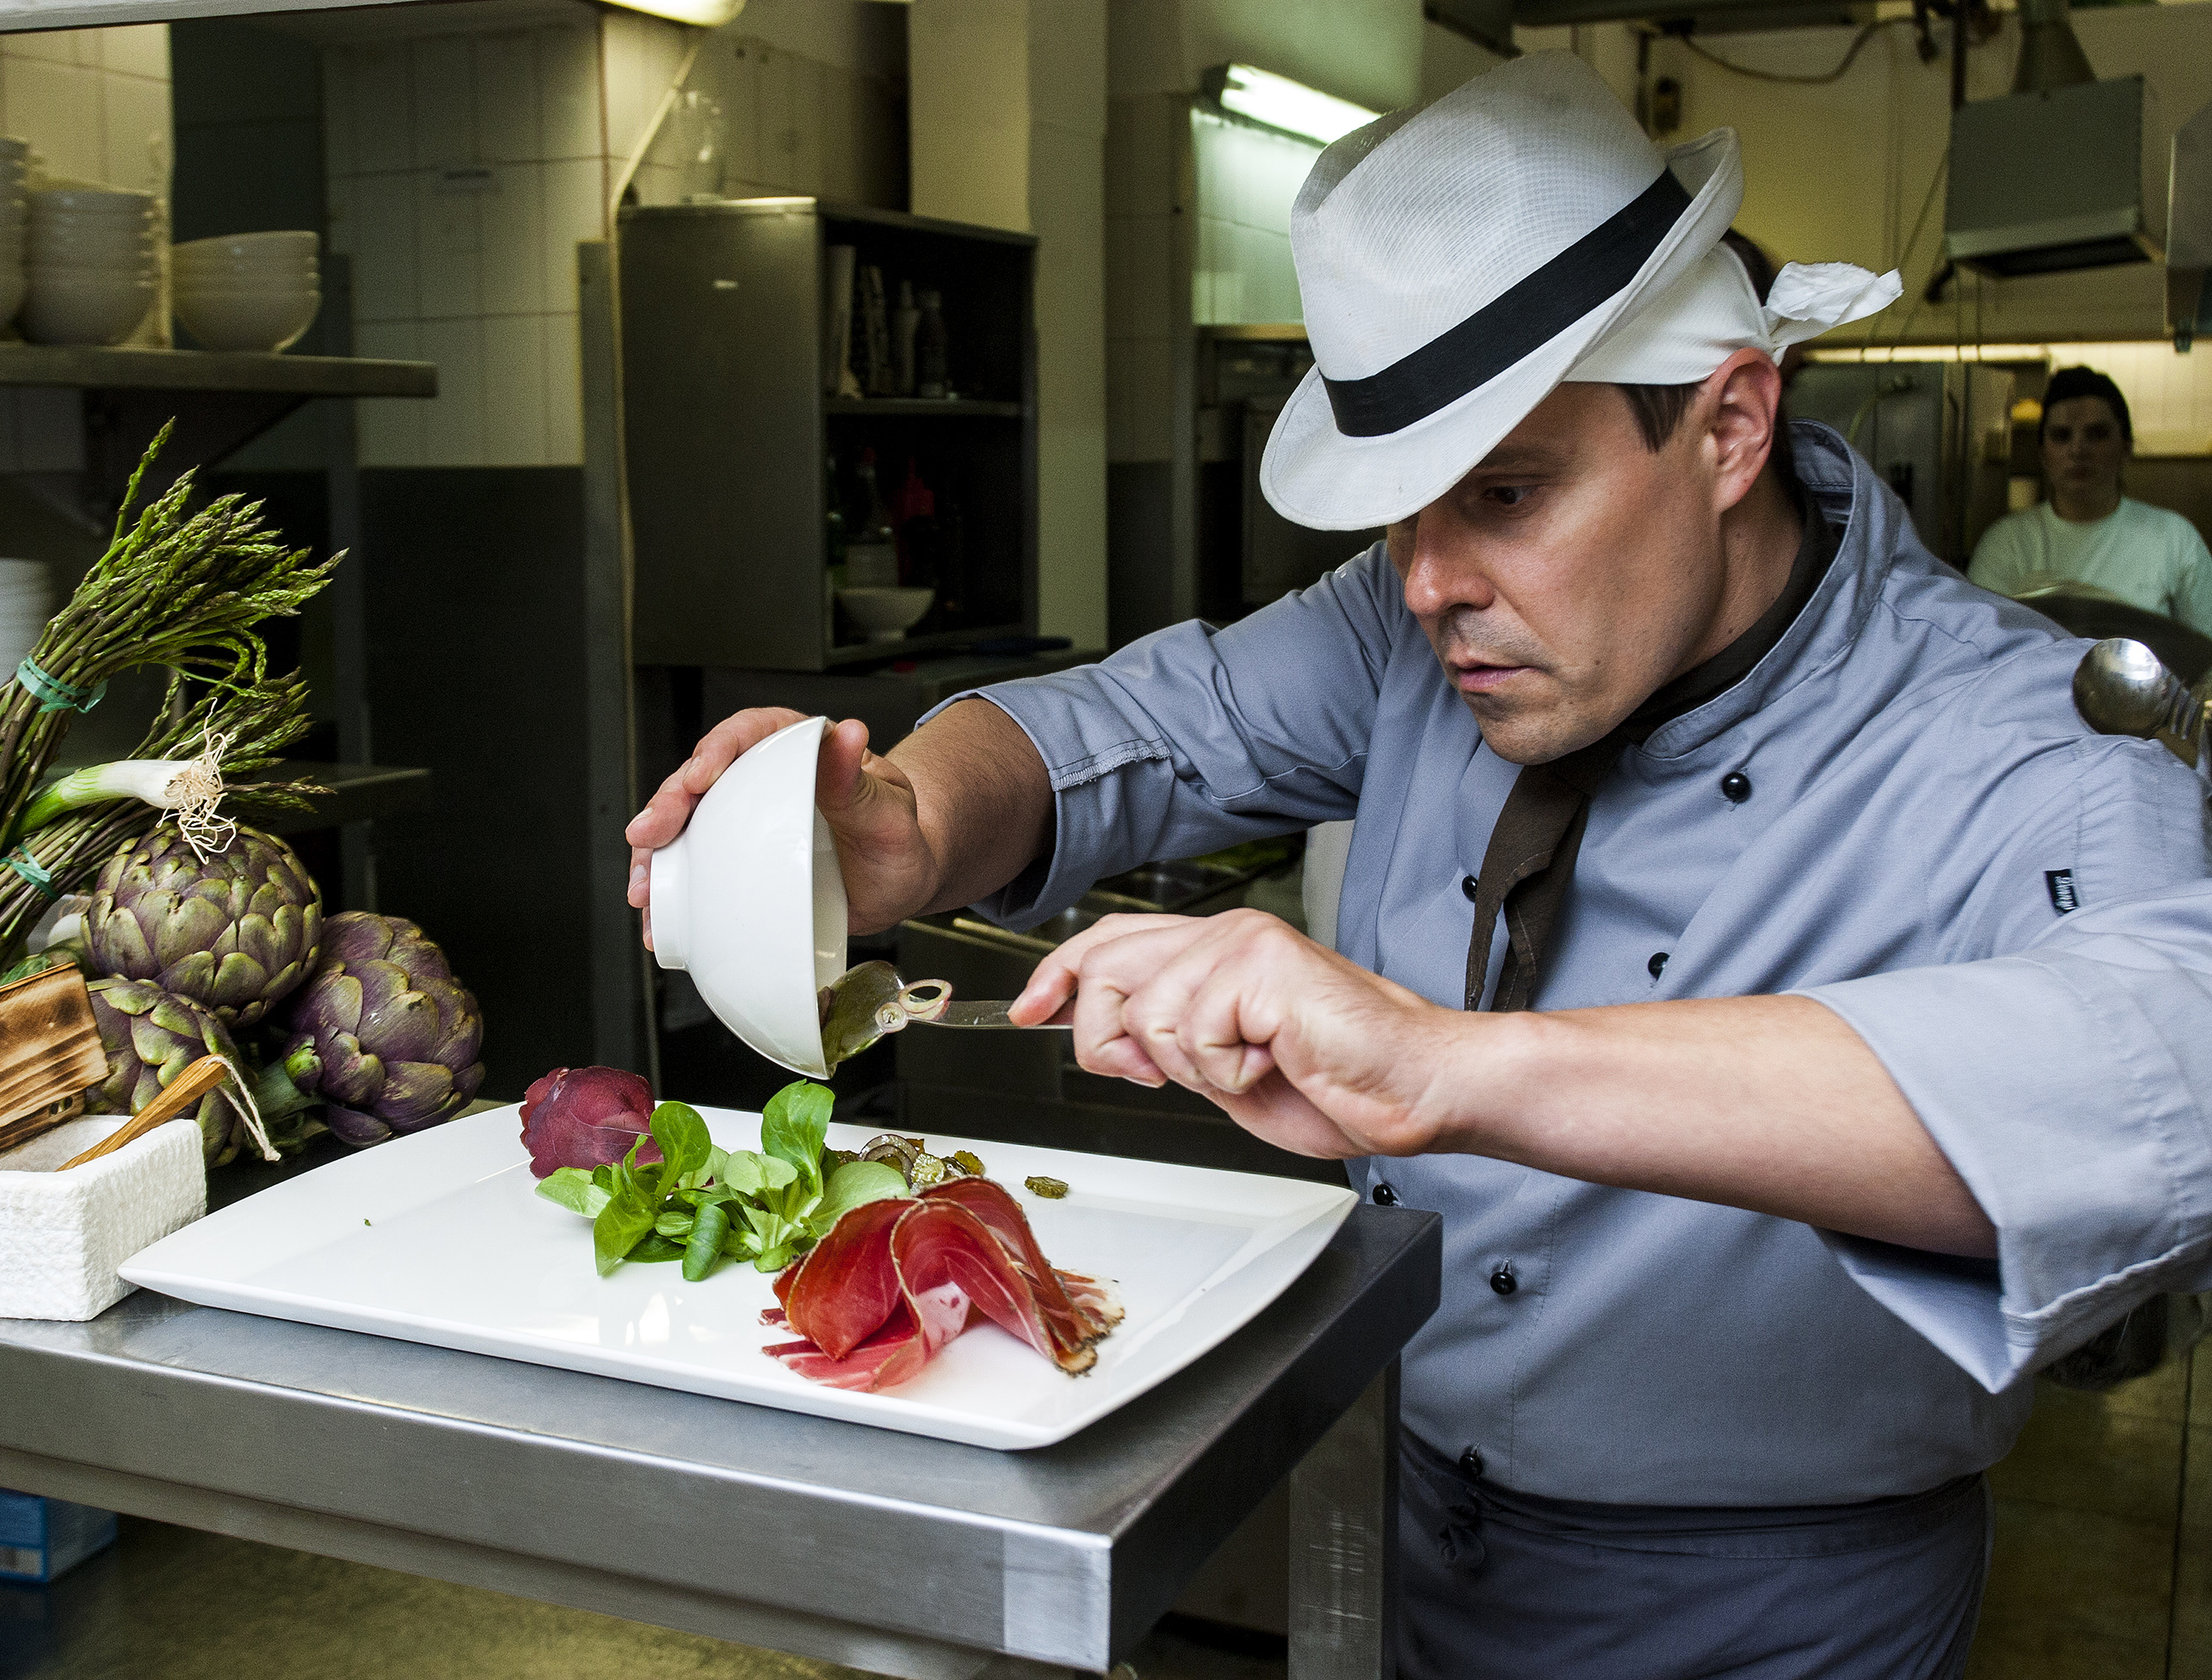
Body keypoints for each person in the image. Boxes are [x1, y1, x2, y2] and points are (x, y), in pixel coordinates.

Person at [627, 54, 2212, 1679]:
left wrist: (1448, 1067)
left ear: (1732, 422)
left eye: (1510, 493)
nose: (1433, 581)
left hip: (1777, 1612)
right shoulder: (1422, 624)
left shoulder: (2008, 730)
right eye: (1398, 516)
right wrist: (906, 816)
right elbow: (1132, 723)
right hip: (1393, 1523)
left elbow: (2163, 1076)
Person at [1968, 365, 2212, 629]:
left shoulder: (2174, 540)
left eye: (2096, 434)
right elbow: (1981, 644)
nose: (2077, 449)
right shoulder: (2006, 545)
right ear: (2043, 454)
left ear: (2126, 449)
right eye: (2062, 436)